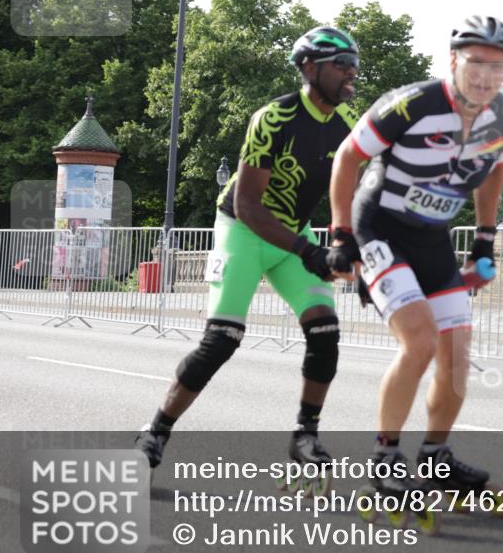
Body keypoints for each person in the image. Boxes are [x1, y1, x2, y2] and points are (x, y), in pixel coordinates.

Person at [135, 27, 361, 482]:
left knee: (325, 331)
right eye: (341, 65)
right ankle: (155, 432)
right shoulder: (273, 118)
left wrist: (344, 244)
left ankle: (304, 436)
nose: (351, 74)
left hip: (291, 233)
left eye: (354, 65)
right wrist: (307, 251)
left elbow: (347, 195)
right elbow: (247, 205)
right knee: (222, 339)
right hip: (244, 229)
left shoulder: (345, 128)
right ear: (309, 68)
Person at [326, 15, 503, 497]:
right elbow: (347, 158)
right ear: (453, 61)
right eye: (476, 63)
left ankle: (436, 457)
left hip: (433, 235)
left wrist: (485, 241)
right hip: (380, 227)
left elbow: (494, 172)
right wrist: (341, 235)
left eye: (497, 68)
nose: (485, 77)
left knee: (456, 353)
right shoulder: (411, 104)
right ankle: (386, 455)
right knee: (419, 340)